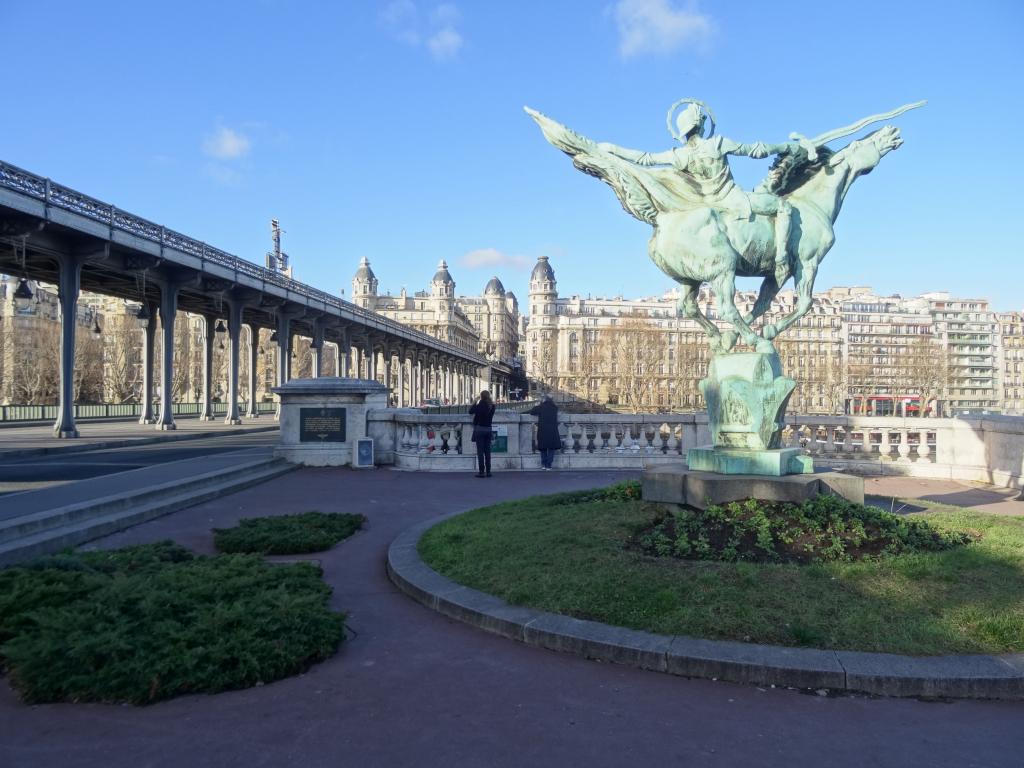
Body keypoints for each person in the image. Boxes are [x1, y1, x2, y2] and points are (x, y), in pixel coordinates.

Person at [598, 101, 804, 286]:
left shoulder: (680, 155)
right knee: (783, 206)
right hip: (733, 199)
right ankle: (781, 260)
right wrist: (787, 147)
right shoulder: (717, 144)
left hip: (705, 204)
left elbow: (645, 158)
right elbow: (757, 150)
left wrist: (613, 149)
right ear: (700, 125)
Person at [528, 394, 560, 470]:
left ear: (544, 400)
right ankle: (549, 465)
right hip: (552, 430)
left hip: (543, 430)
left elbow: (532, 412)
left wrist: (539, 404)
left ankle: (544, 464)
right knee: (551, 448)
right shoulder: (555, 408)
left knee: (543, 448)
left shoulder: (541, 407)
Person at [469, 390, 496, 478]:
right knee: (487, 451)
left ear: (481, 396)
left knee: (480, 452)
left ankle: (481, 472)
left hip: (479, 429)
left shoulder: (479, 405)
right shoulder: (492, 406)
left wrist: (475, 401)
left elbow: (470, 411)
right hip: (488, 429)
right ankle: (488, 471)